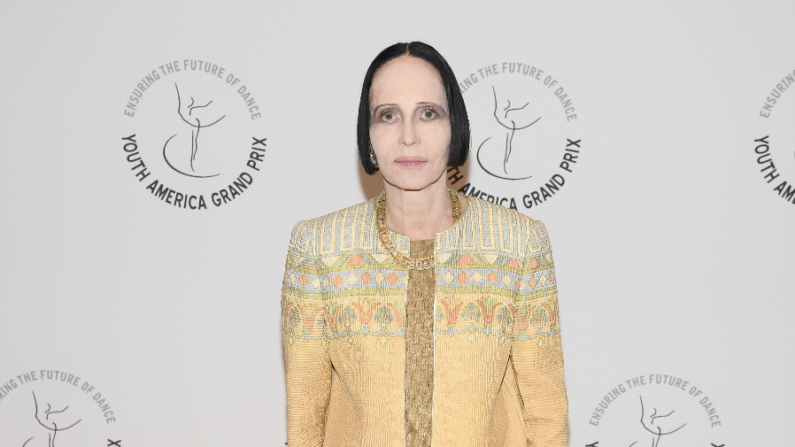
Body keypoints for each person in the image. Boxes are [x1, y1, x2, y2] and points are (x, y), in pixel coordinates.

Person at [281, 41, 567, 447]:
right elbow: (305, 417)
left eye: (428, 113)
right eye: (388, 116)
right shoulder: (318, 247)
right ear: (369, 134)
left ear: (455, 128)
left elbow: (546, 412)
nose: (409, 137)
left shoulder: (519, 245)